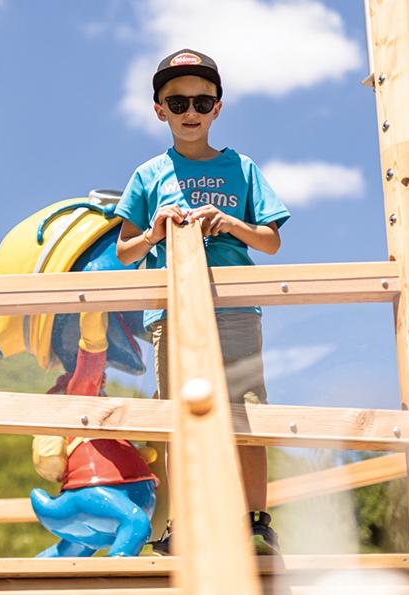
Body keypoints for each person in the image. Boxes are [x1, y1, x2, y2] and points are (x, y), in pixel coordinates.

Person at [115, 48, 290, 556]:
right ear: (159, 110)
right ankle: (183, 522)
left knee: (246, 411)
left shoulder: (242, 167)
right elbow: (126, 251)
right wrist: (154, 232)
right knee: (179, 411)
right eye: (177, 101)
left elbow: (271, 241)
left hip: (235, 307)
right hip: (170, 311)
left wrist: (232, 223)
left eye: (201, 100)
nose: (189, 110)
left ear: (217, 108)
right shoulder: (149, 174)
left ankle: (256, 523)